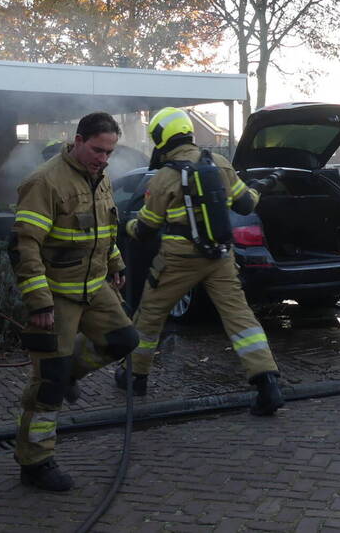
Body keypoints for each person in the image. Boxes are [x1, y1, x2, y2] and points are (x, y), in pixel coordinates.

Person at [119, 107, 284, 416]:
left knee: (151, 314)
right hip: (221, 255)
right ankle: (267, 383)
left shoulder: (166, 177)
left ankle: (135, 377)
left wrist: (125, 226)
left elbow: (146, 227)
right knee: (239, 317)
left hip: (178, 258)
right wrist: (261, 187)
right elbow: (246, 203)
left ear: (161, 138)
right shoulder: (220, 163)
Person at [9, 112, 139, 491]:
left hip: (95, 286)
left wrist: (115, 264)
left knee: (124, 340)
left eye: (109, 152)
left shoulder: (100, 178)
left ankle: (67, 374)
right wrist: (39, 302)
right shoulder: (44, 182)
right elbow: (24, 245)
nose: (104, 158)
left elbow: (105, 230)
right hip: (56, 293)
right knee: (48, 384)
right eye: (97, 150)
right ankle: (35, 463)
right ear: (78, 140)